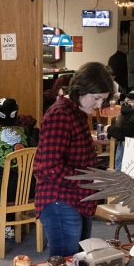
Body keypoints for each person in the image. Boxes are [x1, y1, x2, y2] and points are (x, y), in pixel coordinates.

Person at [34, 61, 113, 255]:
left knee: (77, 263)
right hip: (60, 201)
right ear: (80, 90)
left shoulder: (77, 112)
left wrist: (98, 174)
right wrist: (91, 178)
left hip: (76, 198)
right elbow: (50, 167)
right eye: (96, 98)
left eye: (102, 99)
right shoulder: (60, 114)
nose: (99, 105)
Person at [106, 89, 134, 171]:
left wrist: (108, 129)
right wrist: (110, 132)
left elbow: (124, 133)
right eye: (126, 100)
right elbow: (119, 129)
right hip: (127, 148)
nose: (126, 103)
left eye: (131, 101)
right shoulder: (128, 114)